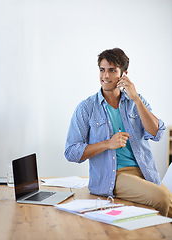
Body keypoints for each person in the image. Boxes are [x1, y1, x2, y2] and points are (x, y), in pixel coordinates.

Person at [64, 48, 172, 217]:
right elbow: (71, 152)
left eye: (112, 70)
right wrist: (108, 144)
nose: (105, 76)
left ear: (124, 73)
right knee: (162, 198)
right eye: (102, 70)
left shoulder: (137, 101)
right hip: (114, 176)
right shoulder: (86, 108)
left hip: (145, 171)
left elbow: (156, 133)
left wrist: (135, 99)